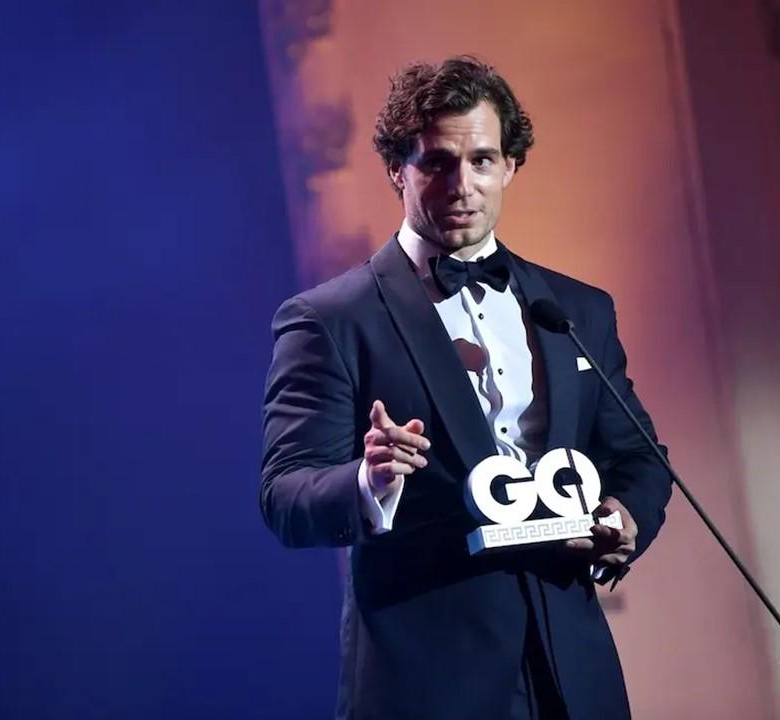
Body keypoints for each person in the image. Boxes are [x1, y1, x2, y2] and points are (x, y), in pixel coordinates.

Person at [259, 56, 672, 720]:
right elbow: (285, 495)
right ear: (398, 169)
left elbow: (639, 456)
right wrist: (370, 482)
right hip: (426, 680)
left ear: (511, 166)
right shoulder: (330, 320)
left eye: (482, 160)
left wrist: (626, 518)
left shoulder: (578, 308)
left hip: (572, 670)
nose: (463, 184)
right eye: (437, 163)